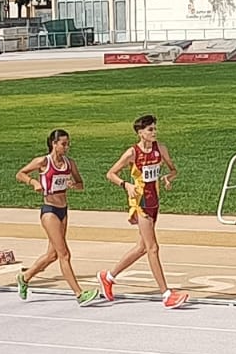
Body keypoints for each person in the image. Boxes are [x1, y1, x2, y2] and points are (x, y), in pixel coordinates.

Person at [98, 115, 190, 309]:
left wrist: (168, 178)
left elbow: (174, 170)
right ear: (140, 133)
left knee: (141, 247)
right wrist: (126, 185)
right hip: (140, 202)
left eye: (155, 129)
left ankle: (108, 276)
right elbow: (110, 173)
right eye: (150, 130)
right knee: (153, 248)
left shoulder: (161, 149)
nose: (154, 132)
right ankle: (166, 294)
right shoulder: (132, 152)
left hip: (155, 201)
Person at [14, 129, 99, 306]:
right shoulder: (43, 161)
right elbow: (20, 173)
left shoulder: (70, 163)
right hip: (50, 211)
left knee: (52, 255)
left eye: (68, 143)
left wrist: (73, 185)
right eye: (63, 144)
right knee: (64, 254)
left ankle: (25, 277)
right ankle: (79, 294)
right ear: (54, 144)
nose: (67, 147)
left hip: (63, 209)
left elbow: (80, 184)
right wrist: (34, 182)